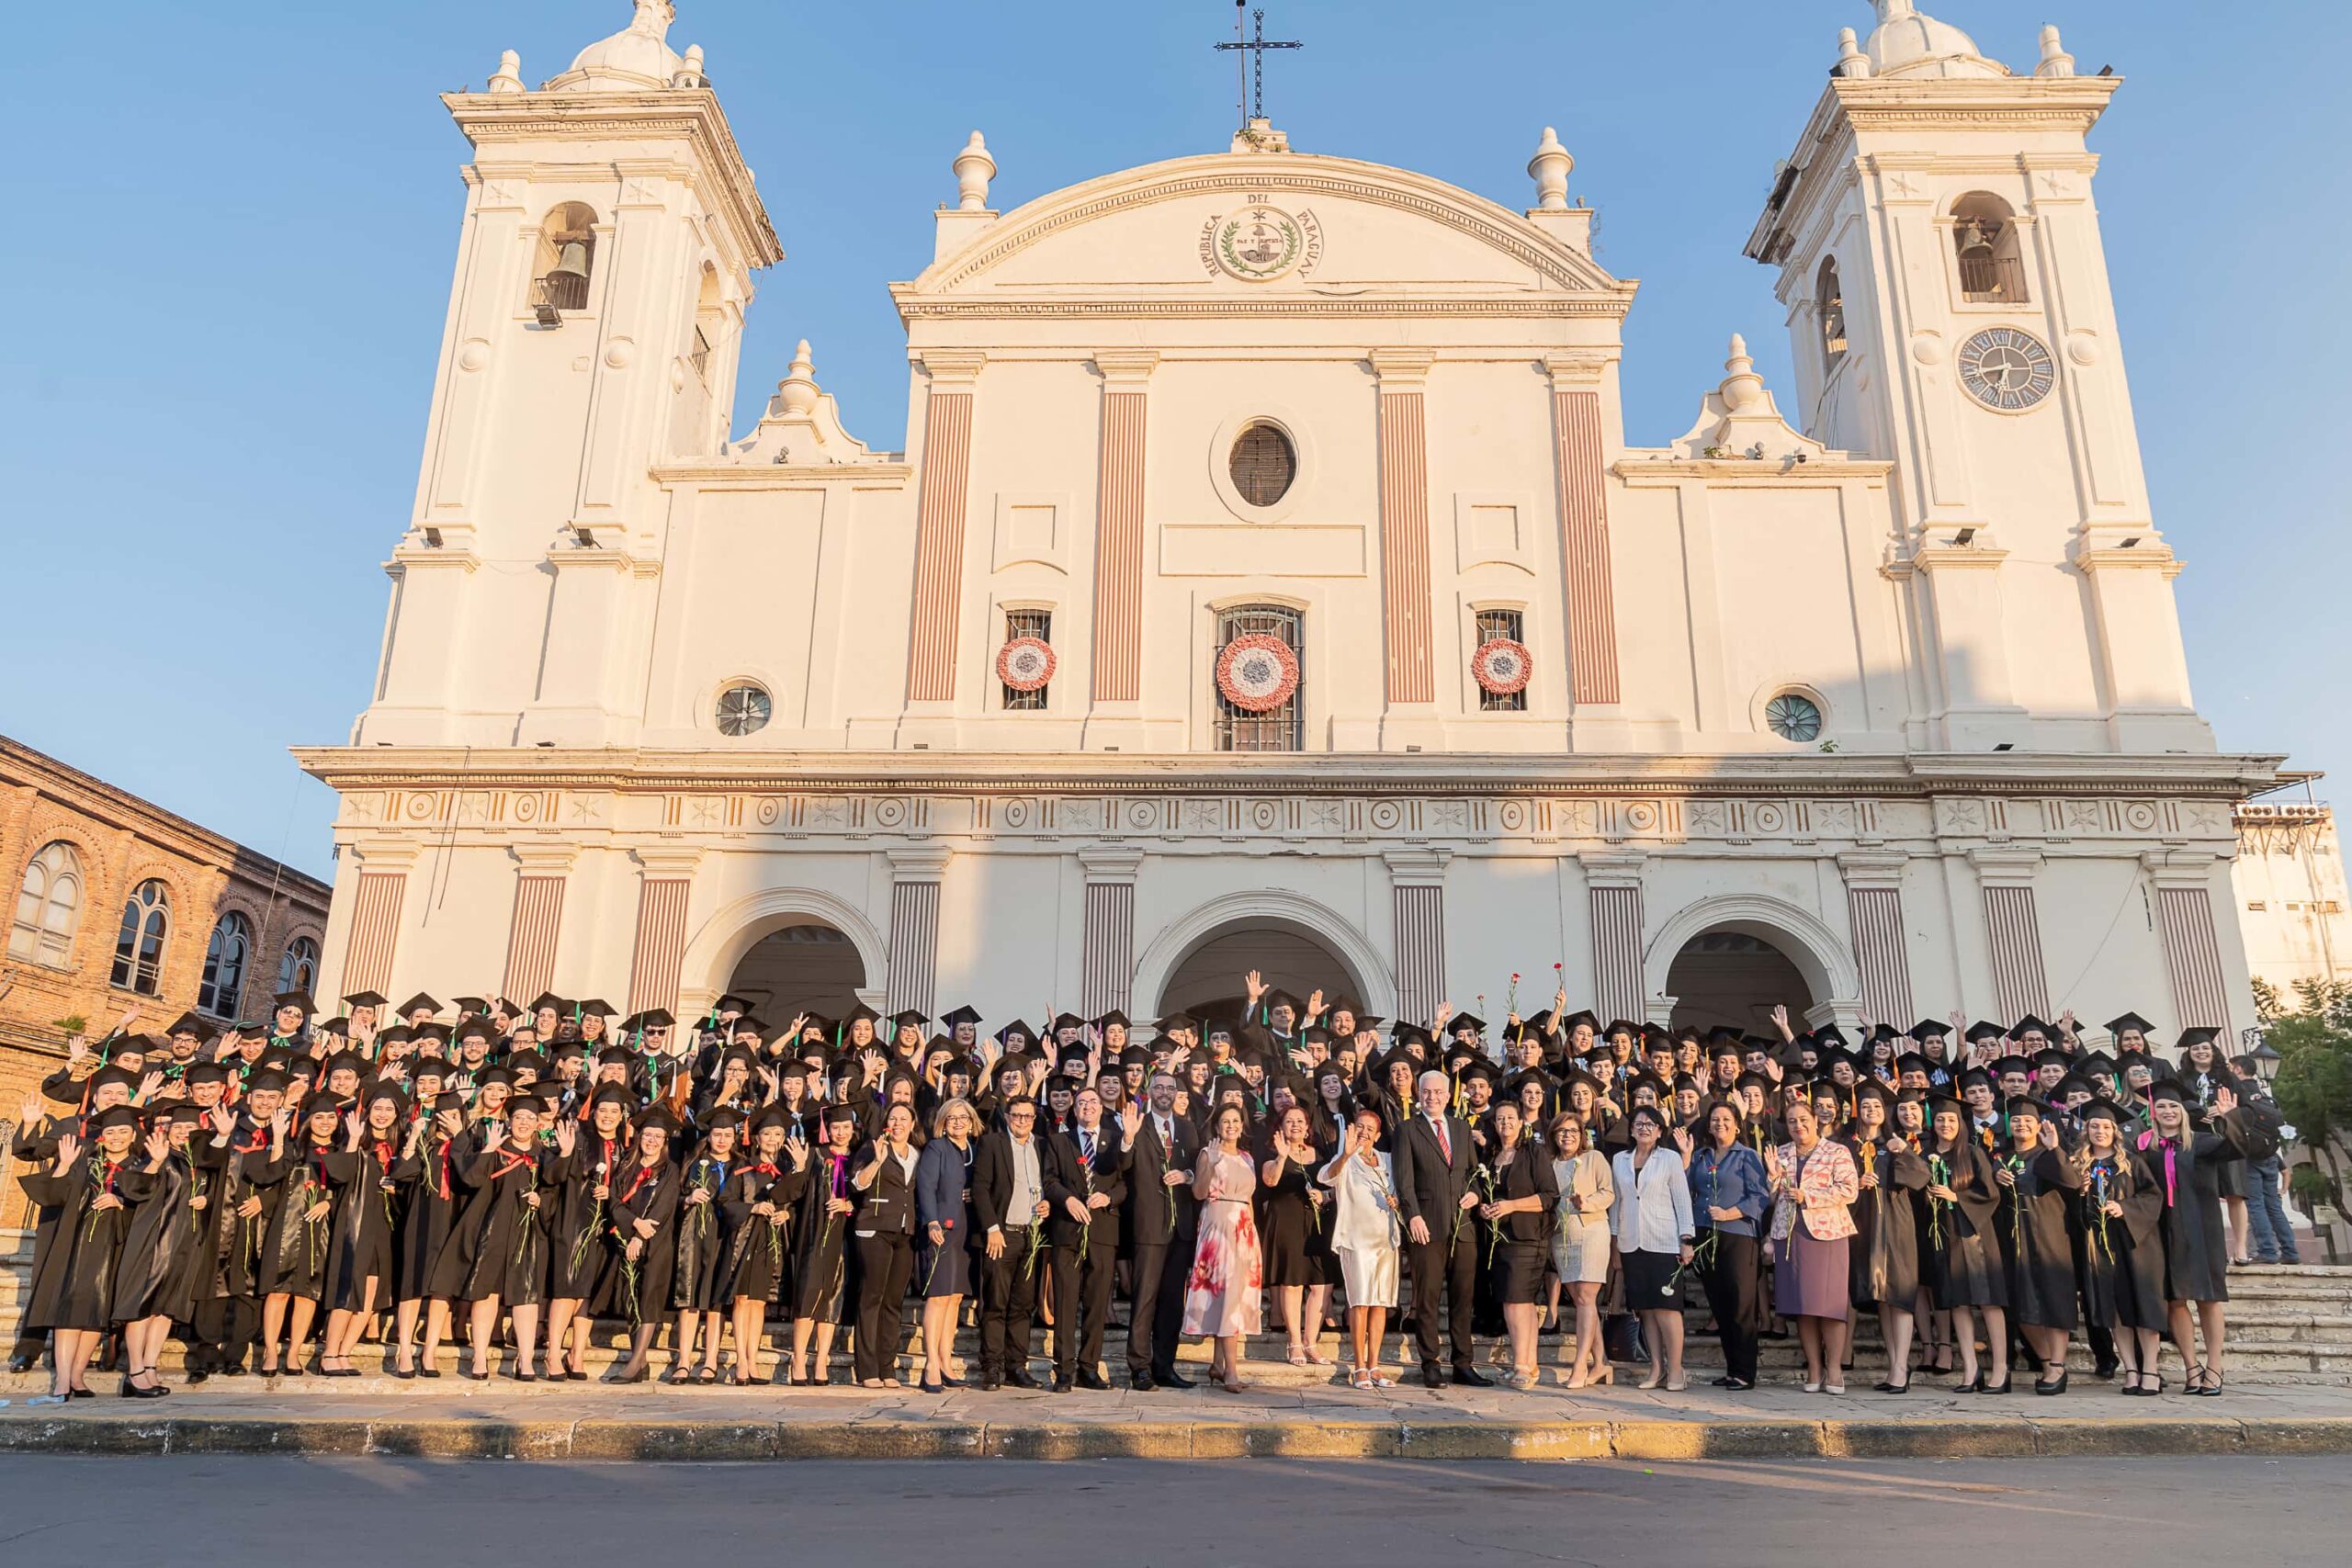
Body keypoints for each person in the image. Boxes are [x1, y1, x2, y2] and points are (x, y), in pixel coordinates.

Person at [2145, 1076, 2251, 1394]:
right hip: (2163, 1232)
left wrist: (2231, 1117)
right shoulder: (2147, 1149)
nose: (2167, 1111)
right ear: (2153, 1112)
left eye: (2173, 1106)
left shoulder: (2203, 1143)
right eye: (2161, 1106)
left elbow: (2237, 1148)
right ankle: (2191, 1367)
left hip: (2202, 1231)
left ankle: (2215, 1366)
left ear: (2182, 1111)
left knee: (2208, 1299)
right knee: (2175, 1301)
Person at [1392, 1069, 1487, 1389]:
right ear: (1418, 1094)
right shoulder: (1407, 1129)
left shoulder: (1461, 1128)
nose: (1431, 1097)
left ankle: (1463, 1364)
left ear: (1448, 1096)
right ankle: (1430, 1363)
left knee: (1463, 1300)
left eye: (1437, 1092)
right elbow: (1403, 1179)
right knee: (1428, 1298)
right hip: (1426, 1226)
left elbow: (1474, 1173)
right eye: (1426, 1091)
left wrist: (1476, 1194)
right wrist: (1413, 1216)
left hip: (1463, 1227)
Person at [2076, 1098, 2166, 1395]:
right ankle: (2130, 1370)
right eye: (2094, 1126)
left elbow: (2153, 1197)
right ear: (2086, 1130)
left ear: (2115, 1130)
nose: (2099, 1131)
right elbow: (2071, 1214)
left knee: (2143, 1308)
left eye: (2105, 1126)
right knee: (2115, 1311)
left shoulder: (2132, 1162)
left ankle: (2150, 1370)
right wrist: (2080, 1194)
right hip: (2101, 1249)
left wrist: (2125, 1208)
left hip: (2136, 1246)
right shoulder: (2081, 1166)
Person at [1770, 1100, 1860, 1395]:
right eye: (1792, 1121)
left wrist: (1808, 1196)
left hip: (1828, 1234)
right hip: (1790, 1234)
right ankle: (1814, 1367)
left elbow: (1850, 1190)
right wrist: (1771, 1177)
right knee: (1802, 1305)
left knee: (1829, 1306)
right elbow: (1769, 1197)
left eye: (1803, 1119)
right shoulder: (1781, 1153)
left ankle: (1834, 1368)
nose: (1798, 1126)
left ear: (1815, 1120)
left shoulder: (1837, 1151)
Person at [1118, 1070, 1201, 1391]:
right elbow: (1123, 1168)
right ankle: (1139, 1368)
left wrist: (1187, 1176)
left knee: (1172, 1303)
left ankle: (1164, 1367)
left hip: (1180, 1229)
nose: (1165, 1092)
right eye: (1159, 1087)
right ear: (1149, 1091)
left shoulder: (1187, 1127)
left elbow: (1197, 1167)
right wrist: (1127, 1139)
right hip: (1149, 1227)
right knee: (1144, 1301)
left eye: (1170, 1088)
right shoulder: (1137, 1125)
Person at [1924, 1093, 2010, 1393]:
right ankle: (1971, 1369)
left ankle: (2001, 1368)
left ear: (1960, 1124)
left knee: (1988, 1302)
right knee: (1957, 1302)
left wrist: (1955, 1197)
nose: (1945, 1124)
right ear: (1933, 1123)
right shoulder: (1926, 1156)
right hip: (1944, 1237)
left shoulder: (1973, 1153)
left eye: (1951, 1119)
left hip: (1976, 1237)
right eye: (1940, 1119)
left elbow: (1991, 1194)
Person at [1997, 1099, 2085, 1393]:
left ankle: (2057, 1365)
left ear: (2038, 1126)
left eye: (2028, 1121)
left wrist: (2054, 1148)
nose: (2021, 1125)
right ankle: (2048, 1362)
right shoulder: (2003, 1159)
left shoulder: (2048, 1155)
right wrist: (1996, 1178)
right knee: (2022, 1306)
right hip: (2016, 1241)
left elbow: (2072, 1182)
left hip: (2050, 1239)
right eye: (2016, 1121)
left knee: (2054, 1303)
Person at [1043, 1086, 1125, 1391]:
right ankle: (1064, 1370)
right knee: (1065, 1302)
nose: (1087, 1106)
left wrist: (1109, 1197)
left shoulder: (1115, 1141)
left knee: (1097, 1302)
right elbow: (1049, 1180)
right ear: (1073, 1110)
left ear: (1101, 1108)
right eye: (1081, 1103)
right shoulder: (1059, 1141)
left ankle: (1089, 1368)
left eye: (1093, 1102)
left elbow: (1125, 1183)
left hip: (1103, 1230)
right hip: (1067, 1229)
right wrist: (1067, 1200)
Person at [1182, 1101, 1264, 1393]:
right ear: (1217, 1126)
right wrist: (1213, 1164)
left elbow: (1249, 1198)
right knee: (1225, 1297)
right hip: (1218, 1227)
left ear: (1242, 1126)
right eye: (1225, 1121)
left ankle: (1218, 1364)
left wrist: (1252, 1236)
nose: (1231, 1125)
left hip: (1243, 1228)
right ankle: (1231, 1370)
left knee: (1235, 1297)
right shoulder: (1208, 1153)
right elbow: (1198, 1192)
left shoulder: (1247, 1157)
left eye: (1235, 1121)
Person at [1611, 1103, 1693, 1392]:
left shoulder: (1669, 1158)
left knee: (1667, 1308)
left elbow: (1682, 1199)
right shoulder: (1620, 1160)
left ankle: (1676, 1369)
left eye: (1650, 1124)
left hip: (1663, 1242)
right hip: (1631, 1242)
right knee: (1645, 1309)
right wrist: (1614, 1242)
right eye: (1639, 1124)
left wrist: (1686, 1240)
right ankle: (1656, 1367)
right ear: (1631, 1130)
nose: (1644, 1128)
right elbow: (1617, 1203)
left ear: (1659, 1131)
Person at [1476, 1100, 1559, 1388]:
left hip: (1528, 1238)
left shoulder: (1533, 1152)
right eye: (1500, 1119)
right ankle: (1525, 1364)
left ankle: (1524, 1365)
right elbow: (1485, 1194)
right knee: (1512, 1303)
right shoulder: (1490, 1155)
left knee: (1519, 1301)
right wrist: (1484, 1209)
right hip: (1500, 1239)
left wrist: (1511, 1205)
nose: (1506, 1123)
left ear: (1521, 1122)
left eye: (1511, 1118)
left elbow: (1549, 1197)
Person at [1687, 1100, 1766, 1392]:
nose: (1720, 1124)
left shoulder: (1747, 1156)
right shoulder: (1701, 1156)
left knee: (1740, 1305)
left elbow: (1760, 1196)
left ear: (1737, 1125)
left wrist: (1730, 1213)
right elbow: (1688, 1190)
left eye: (1726, 1119)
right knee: (1719, 1304)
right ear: (1708, 1126)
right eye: (1715, 1119)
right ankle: (1732, 1369)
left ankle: (1745, 1372)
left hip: (1738, 1235)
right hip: (1706, 1235)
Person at [1320, 1104, 1402, 1388]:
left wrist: (1397, 1201)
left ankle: (1375, 1365)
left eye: (1370, 1129)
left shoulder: (1387, 1160)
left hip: (1385, 1240)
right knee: (1360, 1302)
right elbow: (1326, 1177)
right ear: (1352, 1130)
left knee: (1380, 1303)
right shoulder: (1345, 1159)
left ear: (1377, 1135)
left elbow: (1401, 1189)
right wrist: (1346, 1154)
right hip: (1356, 1241)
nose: (1365, 1133)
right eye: (1361, 1127)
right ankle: (1359, 1367)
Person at [972, 1093, 1049, 1390]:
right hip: (1001, 1235)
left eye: (1028, 1116)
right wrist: (992, 1227)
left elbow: (1049, 1184)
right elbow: (980, 1188)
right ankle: (992, 1366)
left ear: (1034, 1118)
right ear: (1007, 1117)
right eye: (1017, 1115)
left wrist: (1048, 1204)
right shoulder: (992, 1143)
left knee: (1022, 1305)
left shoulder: (1042, 1145)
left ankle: (1017, 1366)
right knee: (996, 1303)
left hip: (1031, 1235)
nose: (1022, 1121)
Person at [849, 1100, 920, 1389]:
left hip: (905, 1232)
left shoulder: (917, 1153)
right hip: (874, 1229)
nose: (898, 1123)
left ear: (912, 1125)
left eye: (904, 1119)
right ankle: (868, 1369)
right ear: (886, 1123)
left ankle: (887, 1367)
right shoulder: (873, 1148)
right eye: (893, 1118)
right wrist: (877, 1161)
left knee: (893, 1301)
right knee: (872, 1298)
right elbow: (857, 1184)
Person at [1257, 1103, 1332, 1369]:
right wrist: (1281, 1156)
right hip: (1286, 1221)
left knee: (1322, 1284)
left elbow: (1334, 1186)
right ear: (1280, 1127)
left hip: (1316, 1224)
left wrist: (1324, 1197)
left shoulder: (1320, 1153)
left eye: (1300, 1121)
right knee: (1292, 1283)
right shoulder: (1272, 1154)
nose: (1296, 1125)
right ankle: (1294, 1342)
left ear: (1308, 1126)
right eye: (1289, 1121)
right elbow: (1270, 1181)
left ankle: (1311, 1342)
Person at [913, 1097, 978, 1393]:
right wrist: (931, 1221)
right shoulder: (936, 1148)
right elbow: (925, 1187)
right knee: (938, 1296)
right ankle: (930, 1364)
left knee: (955, 1297)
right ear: (943, 1122)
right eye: (952, 1118)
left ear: (972, 1122)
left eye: (963, 1117)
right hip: (941, 1228)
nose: (958, 1122)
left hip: (966, 1229)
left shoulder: (974, 1150)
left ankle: (945, 1360)